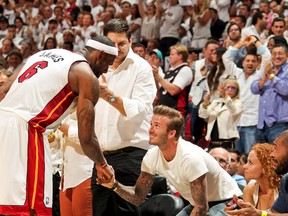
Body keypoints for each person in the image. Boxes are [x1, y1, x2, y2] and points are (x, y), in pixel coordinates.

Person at [0, 35, 117, 215]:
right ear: (99, 55)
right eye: (108, 63)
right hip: (26, 131)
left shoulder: (42, 54)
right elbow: (87, 138)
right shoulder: (86, 75)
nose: (107, 70)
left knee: (7, 204)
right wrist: (102, 164)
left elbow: (4, 90)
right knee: (32, 209)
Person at [101, 105, 242, 216]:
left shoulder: (190, 157)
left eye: (156, 125)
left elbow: (201, 208)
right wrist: (114, 185)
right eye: (151, 124)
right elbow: (138, 198)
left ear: (171, 133)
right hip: (199, 203)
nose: (150, 129)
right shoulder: (151, 156)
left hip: (227, 200)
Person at [91, 18, 156, 216]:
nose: (117, 49)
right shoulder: (96, 68)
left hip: (132, 154)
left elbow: (138, 110)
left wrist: (108, 95)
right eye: (112, 44)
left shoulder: (141, 68)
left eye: (122, 43)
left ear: (130, 41)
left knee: (127, 213)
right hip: (101, 157)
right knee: (98, 212)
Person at [225, 130, 288, 215]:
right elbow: (273, 214)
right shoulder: (286, 180)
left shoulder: (281, 185)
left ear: (265, 167)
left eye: (250, 163)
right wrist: (240, 212)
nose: (272, 155)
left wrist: (259, 213)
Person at [251, 43, 288, 143]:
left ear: (287, 55)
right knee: (260, 157)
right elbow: (253, 88)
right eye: (274, 54)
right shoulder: (267, 68)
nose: (276, 56)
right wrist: (264, 79)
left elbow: (285, 90)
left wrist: (271, 76)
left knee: (279, 157)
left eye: (280, 54)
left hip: (280, 124)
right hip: (261, 124)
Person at [199, 77, 243, 150]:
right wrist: (205, 102)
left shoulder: (237, 103)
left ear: (237, 91)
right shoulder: (216, 102)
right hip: (212, 141)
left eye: (233, 88)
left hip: (227, 142)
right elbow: (203, 115)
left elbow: (234, 111)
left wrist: (225, 97)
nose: (230, 90)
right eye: (227, 87)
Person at [242, 143, 281, 210]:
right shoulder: (249, 189)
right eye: (246, 162)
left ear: (265, 167)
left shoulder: (282, 188)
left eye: (250, 163)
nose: (244, 166)